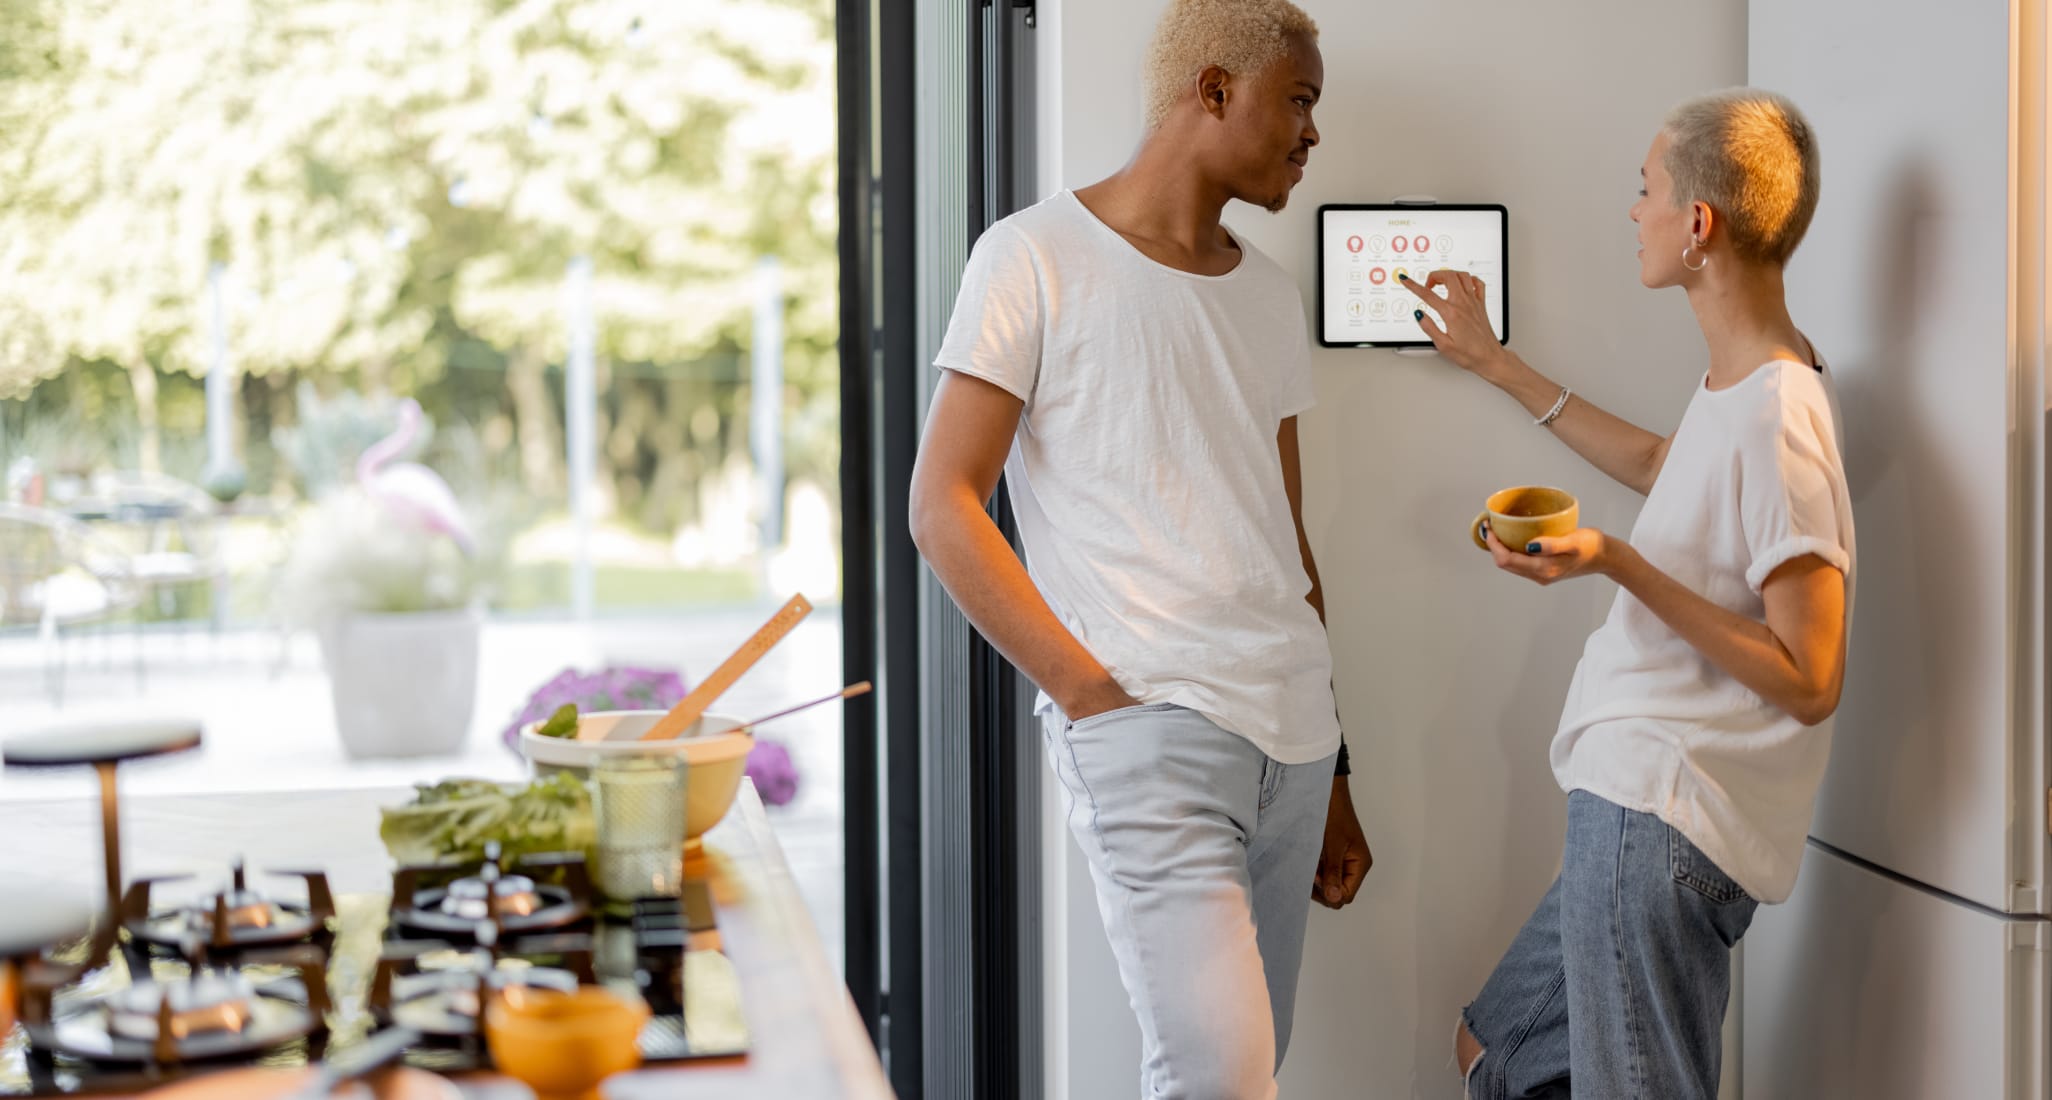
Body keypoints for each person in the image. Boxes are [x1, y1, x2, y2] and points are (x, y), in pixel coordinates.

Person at [906, 1, 1371, 1095]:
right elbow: (943, 505)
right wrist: (1091, 695)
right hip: (1152, 725)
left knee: (1255, 1063)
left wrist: (1340, 762)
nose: (1313, 135)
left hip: (1295, 740)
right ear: (1214, 90)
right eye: (1298, 102)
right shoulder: (1033, 256)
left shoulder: (1266, 292)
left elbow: (1283, 538)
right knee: (1221, 1071)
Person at [1412, 88, 1853, 1100]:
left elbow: (1810, 673)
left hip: (1664, 816)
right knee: (1494, 1048)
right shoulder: (1742, 383)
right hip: (1634, 804)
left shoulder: (1777, 413)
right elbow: (1666, 461)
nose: (1633, 210)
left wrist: (1616, 561)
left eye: (1644, 188)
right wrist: (1497, 365)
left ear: (1699, 225)